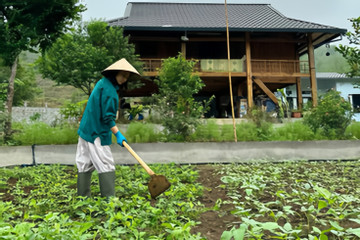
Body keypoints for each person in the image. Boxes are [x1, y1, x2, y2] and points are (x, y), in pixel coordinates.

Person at [75, 58, 140, 198]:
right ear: (115, 73)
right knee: (106, 163)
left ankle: (83, 199)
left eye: (126, 77)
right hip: (96, 132)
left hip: (86, 129)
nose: (124, 79)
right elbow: (108, 118)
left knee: (84, 162)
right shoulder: (110, 91)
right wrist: (118, 134)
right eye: (122, 75)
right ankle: (109, 202)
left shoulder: (102, 83)